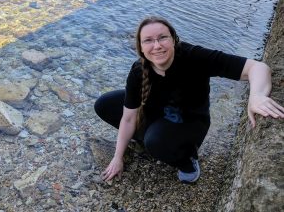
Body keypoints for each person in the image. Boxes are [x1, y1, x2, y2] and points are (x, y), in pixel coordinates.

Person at [95, 16, 284, 183]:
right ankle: (149, 140)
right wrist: (117, 157)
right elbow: (128, 118)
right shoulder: (138, 70)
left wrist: (256, 95)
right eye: (148, 41)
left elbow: (257, 68)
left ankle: (187, 161)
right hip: (157, 113)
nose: (157, 45)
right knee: (104, 104)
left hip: (190, 121)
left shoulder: (194, 57)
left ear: (174, 40)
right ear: (141, 48)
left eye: (162, 37)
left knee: (155, 141)